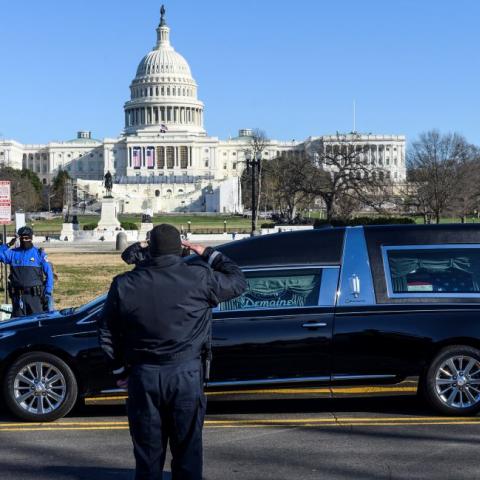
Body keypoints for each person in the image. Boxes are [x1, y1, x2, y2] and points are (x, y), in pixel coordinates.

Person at [99, 224, 246, 480]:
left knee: (147, 457)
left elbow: (106, 330)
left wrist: (119, 369)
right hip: (185, 374)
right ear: (181, 249)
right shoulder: (199, 277)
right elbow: (238, 281)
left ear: (150, 250)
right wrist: (208, 253)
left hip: (143, 375)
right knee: (187, 453)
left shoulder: (125, 284)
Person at [0, 226, 54, 317]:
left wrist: (48, 292)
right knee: (18, 326)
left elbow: (49, 274)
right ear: (19, 238)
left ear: (31, 238)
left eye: (27, 238)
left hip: (35, 298)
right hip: (17, 298)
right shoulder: (12, 253)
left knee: (36, 325)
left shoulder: (39, 253)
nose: (24, 240)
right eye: (22, 238)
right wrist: (8, 245)